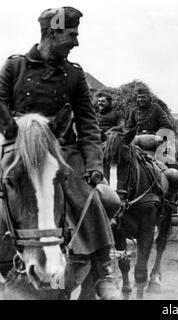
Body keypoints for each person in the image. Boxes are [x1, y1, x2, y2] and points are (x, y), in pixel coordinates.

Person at [0, 7, 119, 299]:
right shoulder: (14, 67)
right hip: (16, 146)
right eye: (72, 34)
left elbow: (88, 124)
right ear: (53, 32)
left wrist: (94, 165)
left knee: (96, 199)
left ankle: (104, 271)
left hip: (61, 150)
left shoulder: (74, 75)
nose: (76, 42)